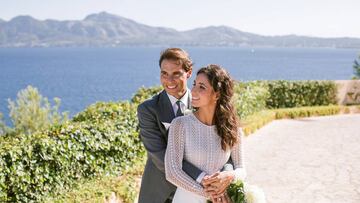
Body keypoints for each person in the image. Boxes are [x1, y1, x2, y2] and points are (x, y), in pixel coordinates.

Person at [137, 48, 234, 203]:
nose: (169, 80)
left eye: (176, 74)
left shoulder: (205, 102)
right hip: (160, 193)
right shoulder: (148, 109)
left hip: (202, 193)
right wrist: (203, 179)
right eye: (164, 73)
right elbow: (161, 157)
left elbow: (224, 149)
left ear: (188, 73)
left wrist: (226, 176)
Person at [165, 64, 246, 203]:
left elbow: (242, 170)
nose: (193, 91)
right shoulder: (180, 124)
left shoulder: (233, 129)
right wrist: (208, 194)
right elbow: (172, 172)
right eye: (194, 84)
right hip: (188, 199)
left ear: (217, 94)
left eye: (201, 87)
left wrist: (229, 176)